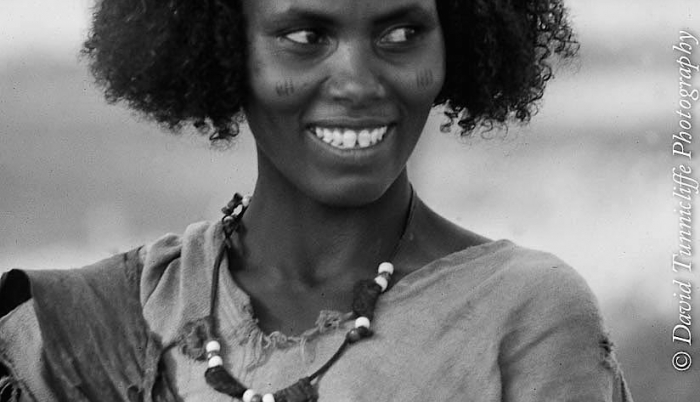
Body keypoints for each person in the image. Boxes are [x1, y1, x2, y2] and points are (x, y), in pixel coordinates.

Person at [0, 0, 633, 401]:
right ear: (225, 49)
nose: (358, 83)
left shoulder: (524, 314)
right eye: (305, 36)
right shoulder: (106, 319)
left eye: (402, 32)